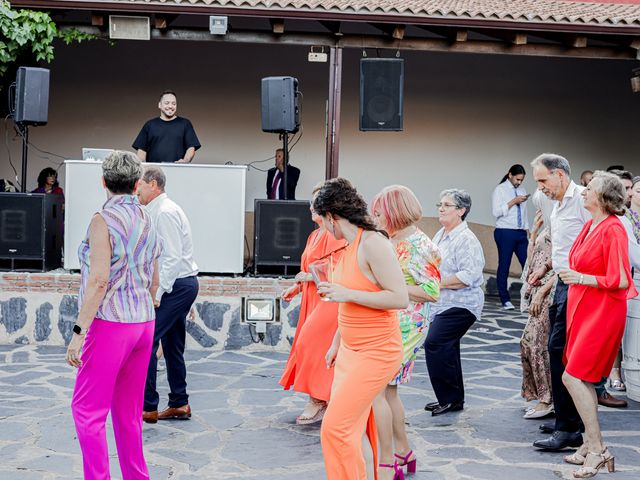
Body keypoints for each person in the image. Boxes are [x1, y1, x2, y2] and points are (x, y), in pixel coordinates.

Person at [66, 150, 161, 479]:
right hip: (143, 322)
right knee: (128, 414)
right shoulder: (149, 218)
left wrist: (78, 334)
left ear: (103, 181)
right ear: (137, 184)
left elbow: (99, 280)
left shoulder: (102, 220)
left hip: (111, 324)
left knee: (87, 411)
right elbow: (155, 279)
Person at [313, 178, 408, 480]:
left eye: (321, 220)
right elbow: (348, 302)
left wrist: (347, 294)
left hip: (377, 352)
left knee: (335, 428)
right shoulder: (349, 245)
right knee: (351, 430)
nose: (323, 228)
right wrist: (336, 343)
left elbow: (399, 298)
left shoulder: (373, 243)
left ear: (332, 216)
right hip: (351, 351)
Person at [558, 171, 637, 477]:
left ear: (604, 197)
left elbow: (619, 279)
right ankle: (589, 444)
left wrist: (579, 278)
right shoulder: (591, 224)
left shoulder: (614, 229)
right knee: (580, 377)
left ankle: (598, 450)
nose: (583, 192)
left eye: (589, 189)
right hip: (584, 307)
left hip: (603, 310)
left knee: (573, 377)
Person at [370, 185, 441, 475]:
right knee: (389, 391)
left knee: (376, 388)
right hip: (390, 319)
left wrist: (392, 288)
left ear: (393, 213)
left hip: (407, 323)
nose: (375, 218)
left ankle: (386, 460)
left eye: (378, 213)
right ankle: (403, 452)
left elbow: (432, 291)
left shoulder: (420, 245)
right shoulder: (393, 239)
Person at [530, 153, 590, 452]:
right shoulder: (555, 204)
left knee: (562, 353)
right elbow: (562, 246)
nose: (540, 187)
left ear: (560, 175)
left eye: (542, 180)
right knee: (557, 352)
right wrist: (546, 269)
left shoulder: (583, 200)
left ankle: (569, 428)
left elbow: (593, 244)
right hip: (562, 282)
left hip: (577, 286)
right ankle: (566, 420)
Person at [279, 185, 347, 424]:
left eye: (314, 203)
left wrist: (307, 278)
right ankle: (322, 398)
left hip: (328, 300)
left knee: (312, 344)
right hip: (312, 297)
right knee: (311, 346)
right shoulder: (314, 234)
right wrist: (296, 287)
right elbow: (309, 268)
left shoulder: (333, 235)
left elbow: (338, 266)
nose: (309, 207)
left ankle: (318, 399)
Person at [137, 166, 199, 423]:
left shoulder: (163, 213)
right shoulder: (159, 210)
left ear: (153, 184)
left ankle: (148, 406)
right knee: (173, 345)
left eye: (139, 183)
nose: (136, 189)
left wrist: (158, 293)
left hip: (175, 286)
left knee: (147, 342)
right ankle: (179, 403)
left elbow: (172, 258)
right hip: (181, 285)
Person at [424, 189, 485, 416]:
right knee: (447, 347)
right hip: (442, 303)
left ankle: (449, 398)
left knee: (435, 343)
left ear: (461, 210)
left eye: (447, 205)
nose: (441, 208)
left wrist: (434, 283)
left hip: (462, 304)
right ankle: (452, 399)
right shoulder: (441, 233)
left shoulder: (466, 239)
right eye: (440, 204)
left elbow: (468, 277)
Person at [520, 194, 555, 420]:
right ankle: (538, 394)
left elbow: (562, 264)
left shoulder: (561, 230)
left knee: (537, 343)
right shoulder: (545, 228)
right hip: (538, 287)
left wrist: (542, 292)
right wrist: (533, 234)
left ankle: (547, 398)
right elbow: (531, 259)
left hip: (549, 290)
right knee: (528, 342)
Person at [491, 164, 529, 310]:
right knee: (504, 265)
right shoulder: (500, 190)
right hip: (505, 231)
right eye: (517, 179)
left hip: (520, 232)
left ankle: (528, 297)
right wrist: (513, 202)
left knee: (528, 265)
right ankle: (505, 299)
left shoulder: (522, 190)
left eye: (521, 180)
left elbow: (524, 213)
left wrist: (527, 230)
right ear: (510, 175)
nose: (519, 182)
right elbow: (496, 212)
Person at [133, 90, 201, 164]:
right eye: (167, 103)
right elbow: (142, 150)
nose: (170, 106)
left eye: (174, 103)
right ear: (159, 105)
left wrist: (185, 161)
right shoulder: (149, 125)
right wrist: (141, 166)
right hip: (155, 172)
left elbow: (191, 148)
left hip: (178, 170)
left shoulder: (185, 124)